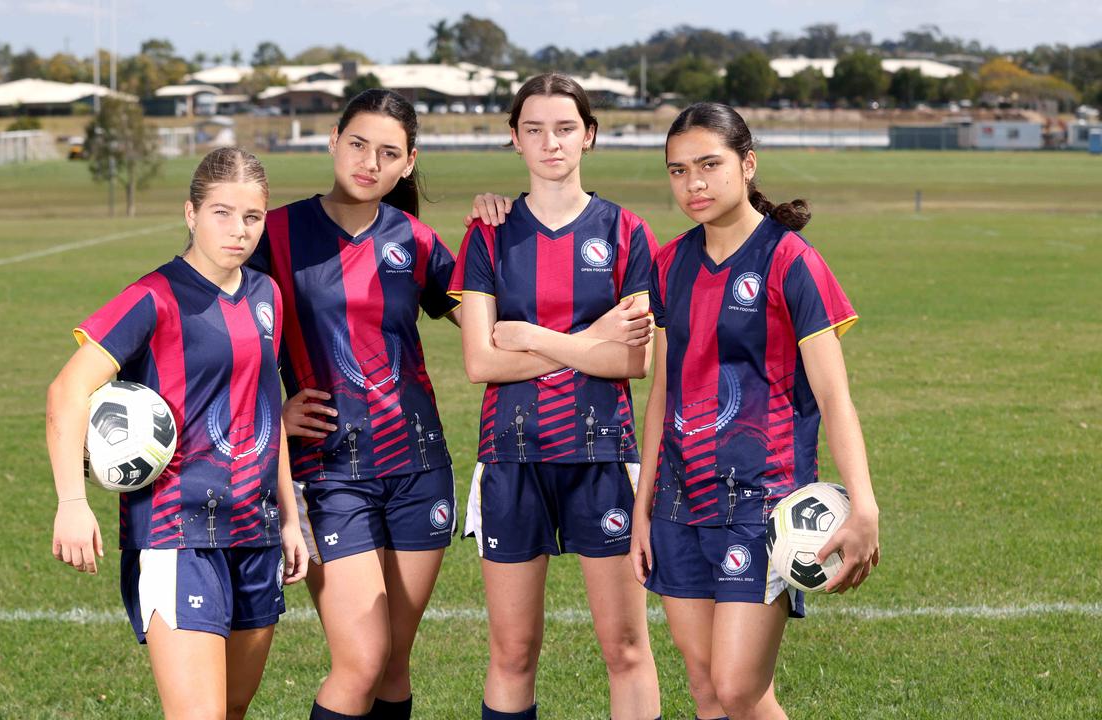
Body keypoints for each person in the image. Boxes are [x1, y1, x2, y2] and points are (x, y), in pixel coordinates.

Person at [630, 102, 881, 720]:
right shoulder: (668, 263)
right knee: (706, 689)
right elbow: (664, 389)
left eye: (709, 165)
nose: (694, 183)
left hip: (763, 503)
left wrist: (865, 505)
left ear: (747, 163)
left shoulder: (791, 260)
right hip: (678, 502)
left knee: (739, 686)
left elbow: (833, 395)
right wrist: (642, 507)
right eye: (678, 170)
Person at [47, 147, 306, 720]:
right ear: (191, 213)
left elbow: (265, 410)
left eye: (252, 217)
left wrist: (290, 517)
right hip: (175, 533)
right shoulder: (151, 297)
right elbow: (66, 391)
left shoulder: (267, 295)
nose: (238, 230)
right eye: (222, 212)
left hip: (255, 529)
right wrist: (72, 502)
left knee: (233, 708)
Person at [451, 72, 662, 720]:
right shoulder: (489, 232)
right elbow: (482, 361)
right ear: (515, 138)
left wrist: (537, 339)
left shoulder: (627, 231)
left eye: (565, 128)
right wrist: (587, 341)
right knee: (512, 651)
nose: (551, 142)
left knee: (625, 647)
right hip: (512, 458)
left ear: (590, 135)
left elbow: (637, 358)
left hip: (604, 458)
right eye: (535, 129)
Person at [248, 89, 458, 720]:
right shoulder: (276, 235)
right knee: (361, 660)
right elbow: (221, 340)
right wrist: (271, 417)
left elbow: (491, 323)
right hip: (327, 471)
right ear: (333, 139)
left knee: (393, 664)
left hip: (421, 468)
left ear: (409, 163)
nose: (370, 162)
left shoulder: (415, 240)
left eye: (389, 152)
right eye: (359, 143)